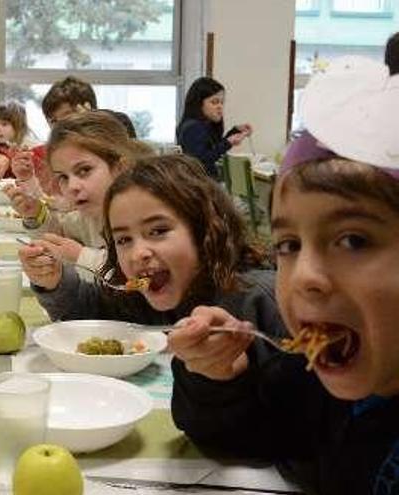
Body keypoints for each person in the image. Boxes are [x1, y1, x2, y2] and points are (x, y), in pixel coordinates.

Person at [169, 57, 399, 495]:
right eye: (289, 246)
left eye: (353, 240)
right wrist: (219, 377)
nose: (304, 277)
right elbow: (251, 439)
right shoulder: (306, 378)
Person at [20, 153, 281, 344]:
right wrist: (54, 282)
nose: (138, 253)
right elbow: (96, 311)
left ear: (203, 230)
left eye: (158, 231)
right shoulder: (144, 294)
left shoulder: (261, 301)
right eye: (123, 240)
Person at [5, 111, 151, 278]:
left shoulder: (147, 217)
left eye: (84, 170)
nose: (72, 186)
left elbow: (138, 277)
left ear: (120, 169)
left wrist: (81, 257)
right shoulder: (89, 215)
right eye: (63, 177)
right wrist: (35, 215)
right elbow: (59, 236)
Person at [176, 77, 252, 181]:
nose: (220, 107)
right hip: (200, 186)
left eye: (222, 102)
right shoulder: (194, 127)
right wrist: (228, 143)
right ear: (199, 103)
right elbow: (202, 160)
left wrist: (235, 132)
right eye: (214, 102)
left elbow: (212, 149)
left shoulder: (196, 124)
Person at [0, 101, 40, 182]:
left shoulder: (30, 145)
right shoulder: (5, 144)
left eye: (4, 124)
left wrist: (8, 160)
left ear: (18, 125)